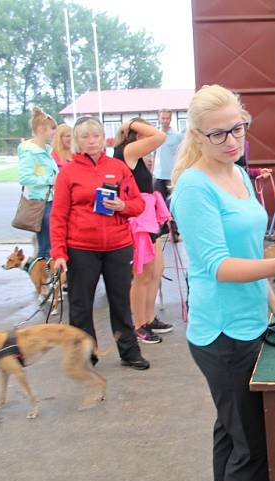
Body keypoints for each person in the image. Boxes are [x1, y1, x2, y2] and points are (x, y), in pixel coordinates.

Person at [170, 84, 275, 481]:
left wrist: (272, 301)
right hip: (223, 334)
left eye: (239, 128)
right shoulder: (194, 187)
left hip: (250, 322)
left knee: (231, 433)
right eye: (219, 134)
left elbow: (246, 246)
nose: (233, 140)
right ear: (196, 136)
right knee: (253, 446)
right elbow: (216, 265)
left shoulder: (235, 172)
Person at [50, 116, 150, 371]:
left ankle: (129, 352)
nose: (91, 141)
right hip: (81, 249)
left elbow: (138, 204)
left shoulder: (118, 168)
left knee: (120, 302)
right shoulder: (68, 173)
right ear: (76, 141)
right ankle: (85, 354)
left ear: (102, 137)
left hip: (117, 246)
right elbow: (58, 216)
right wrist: (59, 252)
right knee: (81, 305)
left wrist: (123, 206)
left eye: (95, 135)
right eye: (85, 136)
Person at [113, 118, 171, 344]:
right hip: (138, 219)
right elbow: (160, 136)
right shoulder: (127, 150)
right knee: (143, 274)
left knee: (156, 271)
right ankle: (138, 324)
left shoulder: (132, 154)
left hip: (149, 216)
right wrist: (134, 123)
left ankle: (148, 318)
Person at [17, 107, 58, 258]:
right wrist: (50, 180)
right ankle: (44, 278)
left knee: (49, 244)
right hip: (41, 203)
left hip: (50, 200)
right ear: (41, 129)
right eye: (52, 129)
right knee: (45, 246)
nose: (55, 132)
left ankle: (48, 277)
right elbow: (24, 178)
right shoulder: (29, 152)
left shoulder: (45, 151)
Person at [153, 108, 183, 238]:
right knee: (159, 203)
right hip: (158, 175)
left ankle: (175, 231)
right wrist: (152, 171)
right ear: (159, 118)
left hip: (171, 176)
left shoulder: (177, 136)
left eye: (167, 118)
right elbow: (154, 154)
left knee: (172, 203)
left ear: (170, 119)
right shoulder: (154, 134)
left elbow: (181, 154)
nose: (165, 121)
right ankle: (164, 229)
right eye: (163, 118)